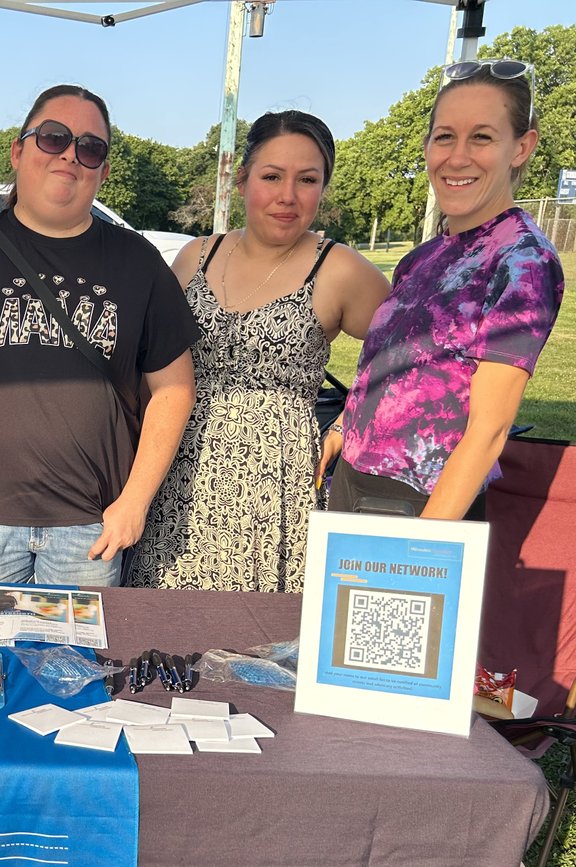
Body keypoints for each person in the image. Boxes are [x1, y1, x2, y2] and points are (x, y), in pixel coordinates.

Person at [0, 84, 198, 587]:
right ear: (18, 150)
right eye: (53, 138)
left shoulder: (137, 261)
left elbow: (174, 388)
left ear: (104, 168)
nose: (71, 156)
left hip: (91, 528)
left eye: (90, 147)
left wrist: (134, 503)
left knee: (78, 667)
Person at [127, 111, 390, 595]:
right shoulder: (194, 257)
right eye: (272, 176)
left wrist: (345, 427)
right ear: (242, 180)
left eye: (307, 179)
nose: (288, 195)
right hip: (176, 475)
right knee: (164, 629)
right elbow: (150, 363)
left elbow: (414, 364)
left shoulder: (338, 269)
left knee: (256, 644)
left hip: (274, 483)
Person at [330, 60, 564, 521]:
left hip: (424, 503)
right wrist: (342, 427)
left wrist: (424, 544)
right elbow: (390, 363)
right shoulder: (424, 257)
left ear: (521, 147)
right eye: (445, 137)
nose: (457, 157)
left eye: (481, 137)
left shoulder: (521, 261)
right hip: (356, 481)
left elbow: (489, 431)